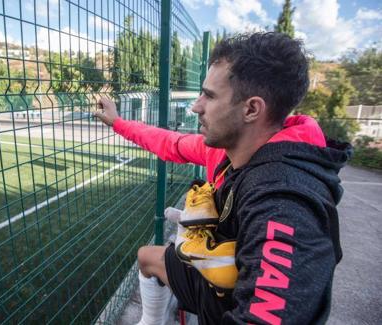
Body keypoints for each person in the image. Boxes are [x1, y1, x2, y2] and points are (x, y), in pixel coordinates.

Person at [94, 32, 351, 324]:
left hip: (230, 304)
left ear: (251, 109)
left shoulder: (283, 201)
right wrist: (117, 122)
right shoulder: (228, 151)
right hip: (221, 283)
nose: (195, 106)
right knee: (148, 257)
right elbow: (170, 142)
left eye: (210, 96)